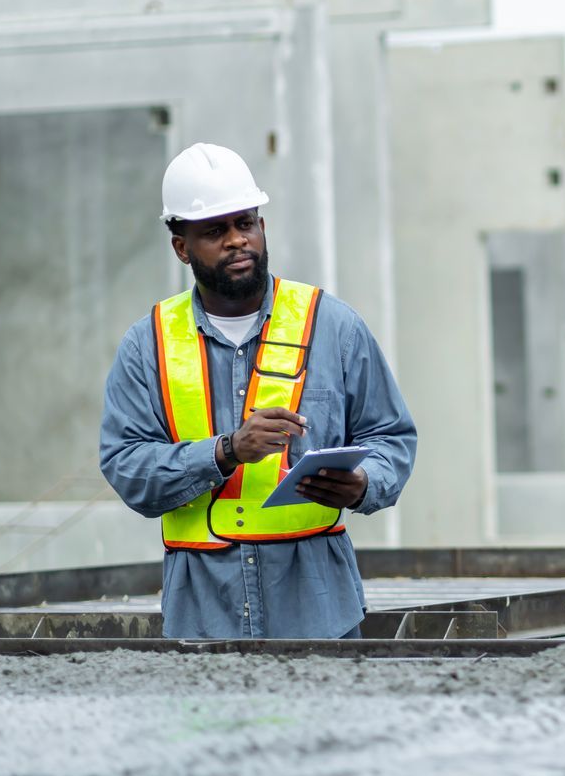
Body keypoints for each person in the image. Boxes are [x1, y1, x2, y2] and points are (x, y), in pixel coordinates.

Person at [99, 142, 416, 639]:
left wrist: (364, 484)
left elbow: (391, 437)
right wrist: (226, 451)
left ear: (262, 227)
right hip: (203, 618)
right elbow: (126, 466)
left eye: (245, 223)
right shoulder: (149, 345)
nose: (235, 241)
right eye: (214, 231)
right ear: (181, 246)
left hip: (319, 616)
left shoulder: (332, 327)